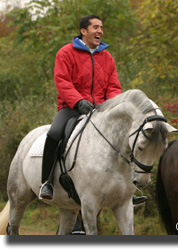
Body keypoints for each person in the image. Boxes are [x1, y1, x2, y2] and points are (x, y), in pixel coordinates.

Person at [39, 15, 148, 206]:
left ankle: (129, 189)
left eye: (101, 28)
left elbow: (114, 86)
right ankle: (46, 182)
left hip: (101, 110)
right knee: (54, 134)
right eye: (95, 27)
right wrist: (78, 101)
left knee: (126, 138)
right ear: (83, 31)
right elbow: (62, 82)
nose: (100, 31)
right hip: (71, 108)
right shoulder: (65, 53)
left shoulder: (106, 57)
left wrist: (111, 105)